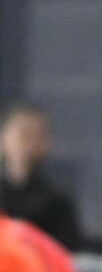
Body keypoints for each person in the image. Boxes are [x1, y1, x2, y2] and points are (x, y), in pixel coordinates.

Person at [0, 102, 83, 250]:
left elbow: (65, 252)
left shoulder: (58, 200)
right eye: (23, 133)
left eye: (37, 135)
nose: (29, 143)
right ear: (4, 138)